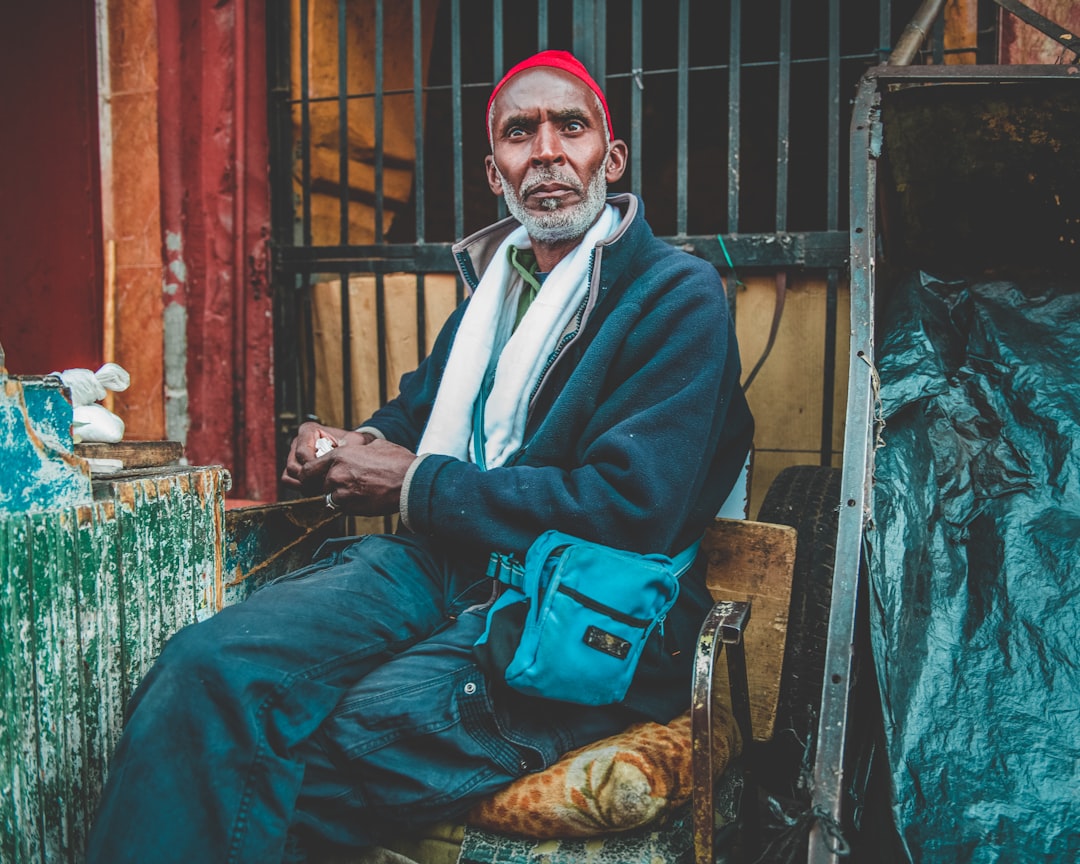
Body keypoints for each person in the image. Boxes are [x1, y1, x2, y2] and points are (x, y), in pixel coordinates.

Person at [85, 49, 753, 863]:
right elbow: (413, 417)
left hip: (572, 612)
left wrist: (411, 481)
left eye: (569, 127)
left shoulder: (677, 297)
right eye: (519, 133)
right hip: (441, 564)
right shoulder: (496, 291)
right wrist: (342, 446)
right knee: (205, 670)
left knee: (329, 739)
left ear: (608, 160)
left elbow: (628, 509)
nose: (545, 150)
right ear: (494, 170)